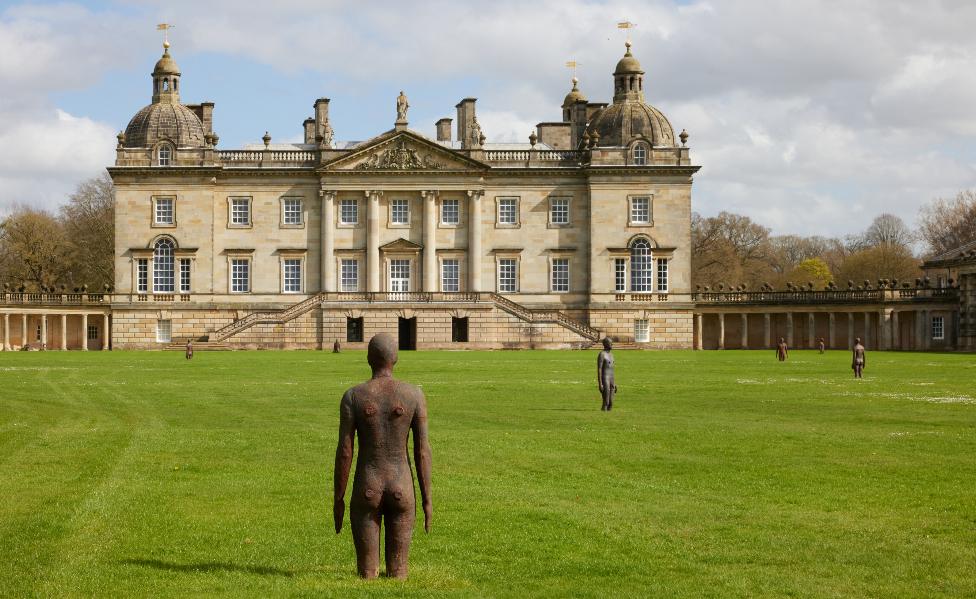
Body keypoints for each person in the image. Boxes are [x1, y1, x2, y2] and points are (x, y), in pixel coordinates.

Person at [333, 333, 432, 579]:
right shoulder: (413, 395)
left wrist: (339, 497)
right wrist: (427, 499)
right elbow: (422, 451)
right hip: (402, 485)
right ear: (395, 358)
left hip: (368, 483)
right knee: (399, 573)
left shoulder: (353, 396)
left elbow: (345, 451)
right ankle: (397, 577)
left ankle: (370, 574)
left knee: (367, 573)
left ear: (368, 359)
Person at [597, 338, 617, 411]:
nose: (612, 344)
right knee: (606, 402)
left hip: (611, 378)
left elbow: (612, 369)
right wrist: (600, 383)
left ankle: (608, 415)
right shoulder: (602, 354)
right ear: (605, 344)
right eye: (610, 343)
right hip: (605, 378)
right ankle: (603, 412)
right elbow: (599, 369)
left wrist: (614, 382)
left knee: (611, 403)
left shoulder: (611, 355)